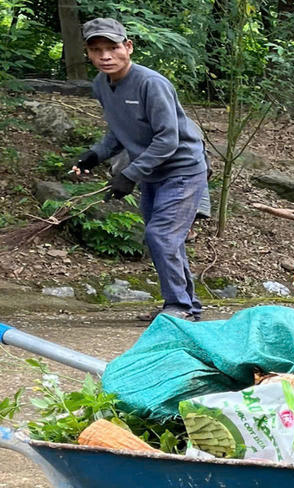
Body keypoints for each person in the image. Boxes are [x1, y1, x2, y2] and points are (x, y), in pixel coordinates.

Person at [71, 17, 207, 322]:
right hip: (152, 173)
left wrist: (129, 175)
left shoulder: (151, 83)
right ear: (89, 54)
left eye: (112, 48)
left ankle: (180, 307)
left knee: (161, 235)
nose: (105, 56)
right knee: (164, 238)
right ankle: (184, 305)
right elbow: (119, 132)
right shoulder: (101, 85)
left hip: (182, 170)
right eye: (96, 50)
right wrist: (94, 156)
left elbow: (168, 139)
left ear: (128, 47)